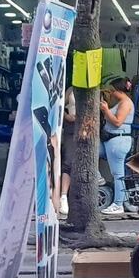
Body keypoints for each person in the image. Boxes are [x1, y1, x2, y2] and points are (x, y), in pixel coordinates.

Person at [99, 73, 135, 215]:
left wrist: (106, 110)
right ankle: (99, 179)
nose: (111, 93)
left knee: (117, 173)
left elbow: (117, 121)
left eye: (112, 90)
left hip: (118, 141)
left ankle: (118, 204)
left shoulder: (126, 103)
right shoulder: (120, 103)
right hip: (110, 140)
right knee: (93, 152)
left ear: (119, 90)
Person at [55, 86, 76, 218]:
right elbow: (60, 105)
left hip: (86, 127)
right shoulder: (71, 89)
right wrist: (66, 116)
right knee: (68, 161)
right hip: (71, 127)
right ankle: (63, 197)